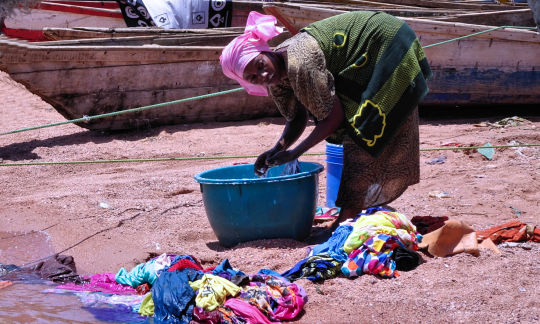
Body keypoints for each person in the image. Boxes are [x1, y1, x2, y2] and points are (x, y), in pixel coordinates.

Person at [220, 11, 432, 240]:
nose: (262, 75)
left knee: (363, 133)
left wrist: (295, 153)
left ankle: (348, 218)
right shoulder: (278, 78)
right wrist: (277, 149)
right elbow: (296, 118)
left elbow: (334, 118)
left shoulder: (300, 63)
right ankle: (350, 213)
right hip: (367, 52)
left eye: (260, 64)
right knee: (359, 130)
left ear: (266, 52)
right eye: (252, 77)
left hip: (386, 41)